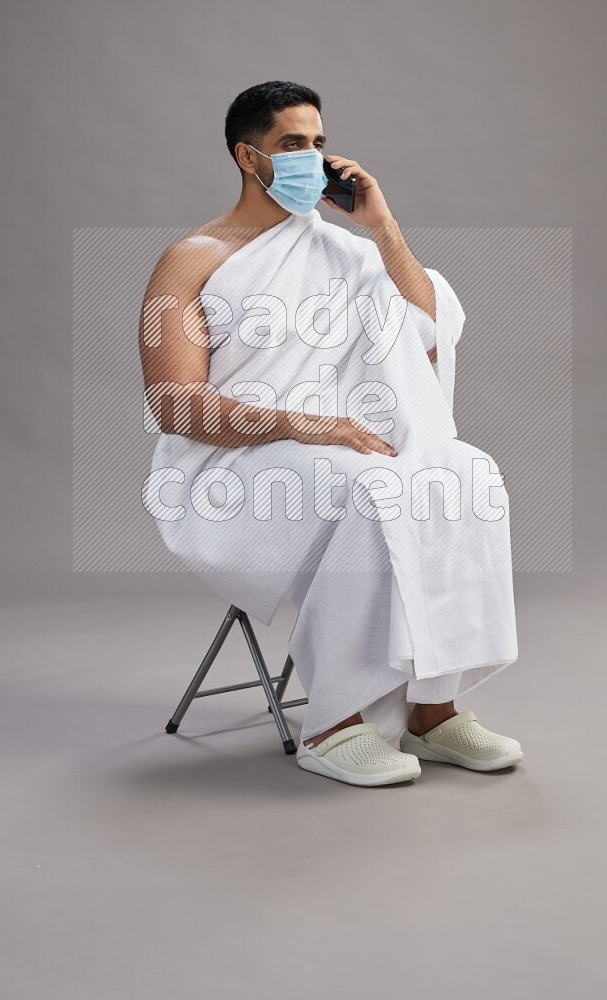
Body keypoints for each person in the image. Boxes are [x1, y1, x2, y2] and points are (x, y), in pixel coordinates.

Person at [139, 80, 522, 788]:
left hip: (346, 445)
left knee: (465, 472)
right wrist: (303, 423)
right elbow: (174, 404)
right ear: (246, 157)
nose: (311, 159)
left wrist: (383, 228)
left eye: (318, 143)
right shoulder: (192, 258)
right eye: (291, 145)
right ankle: (333, 724)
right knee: (371, 487)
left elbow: (431, 337)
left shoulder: (352, 253)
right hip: (233, 466)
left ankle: (433, 712)